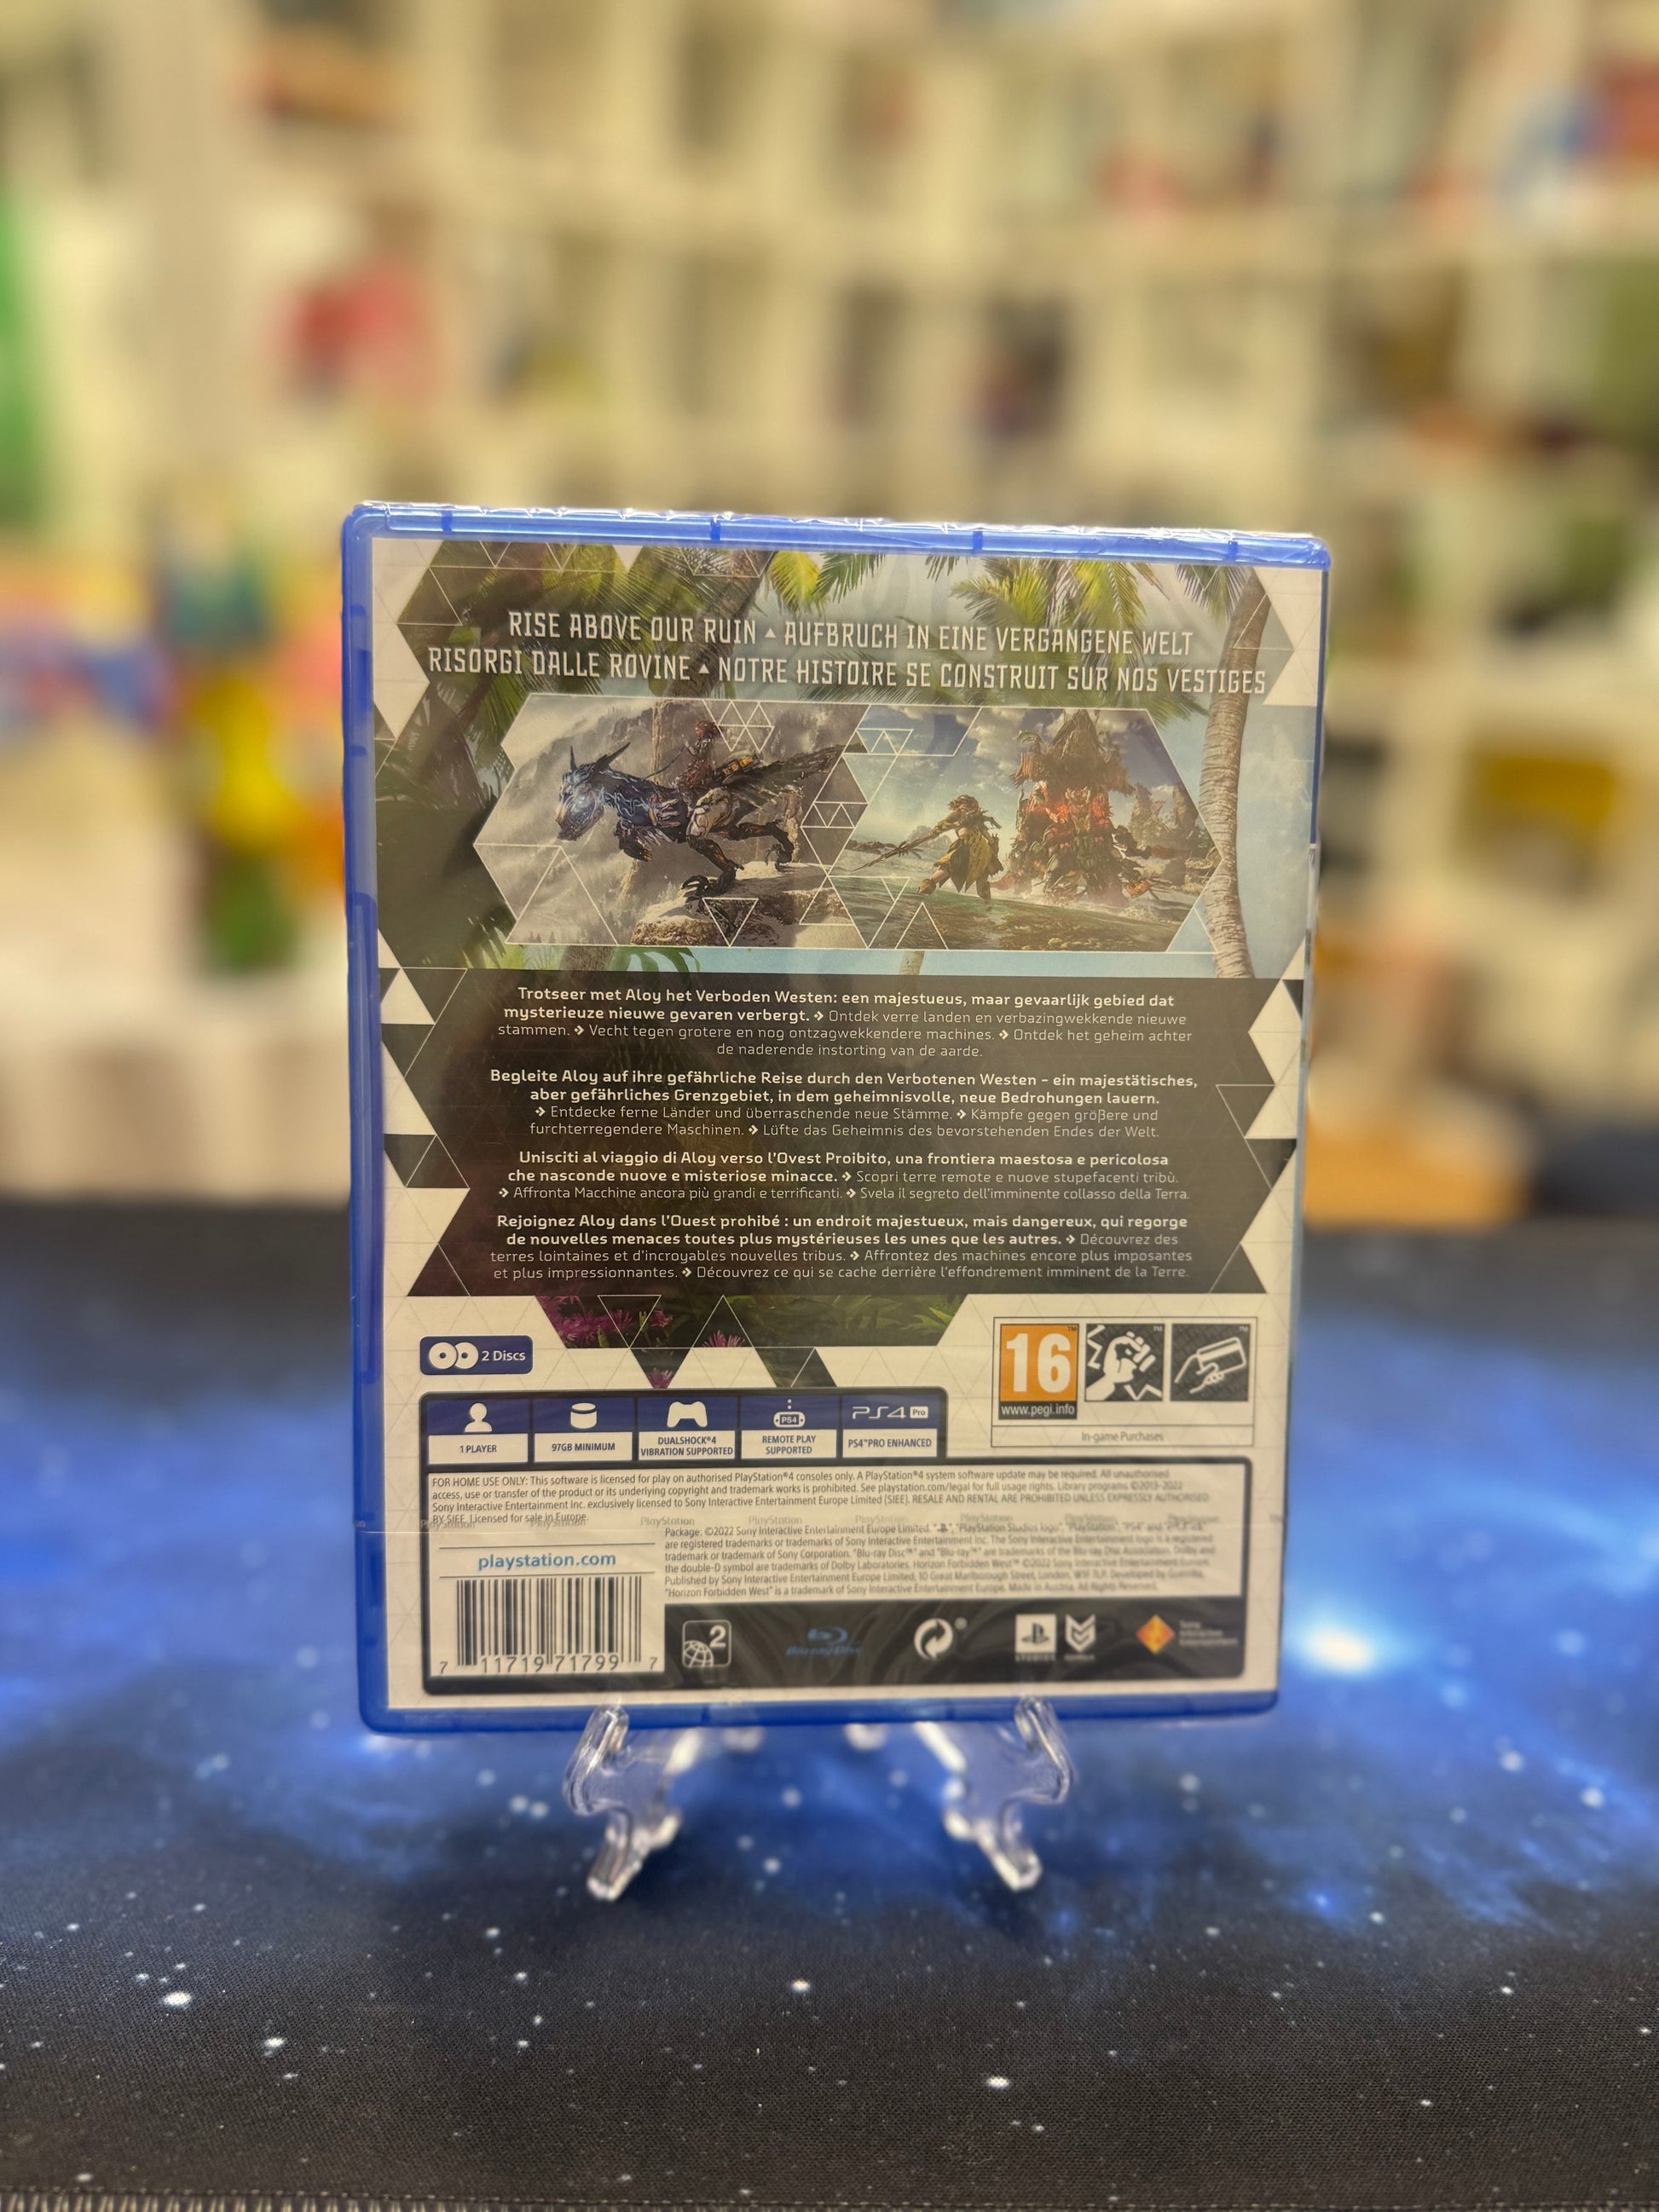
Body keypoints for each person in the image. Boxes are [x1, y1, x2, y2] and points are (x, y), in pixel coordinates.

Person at [916, 794, 1001, 903]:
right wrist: (993, 844)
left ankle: (923, 893)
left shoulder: (965, 814)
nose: (965, 807)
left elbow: (944, 825)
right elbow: (989, 838)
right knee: (979, 877)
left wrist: (936, 832)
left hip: (969, 846)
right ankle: (987, 904)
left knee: (950, 865)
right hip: (981, 851)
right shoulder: (968, 815)